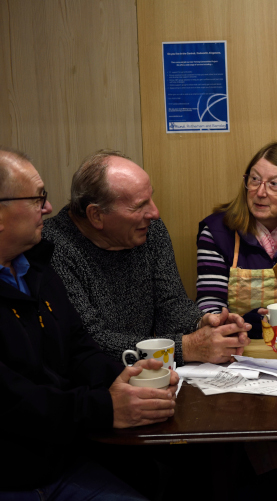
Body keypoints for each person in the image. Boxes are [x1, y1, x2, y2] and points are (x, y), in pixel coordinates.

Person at [0, 148, 178, 496]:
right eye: (37, 198)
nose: (48, 208)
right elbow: (15, 402)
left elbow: (80, 347)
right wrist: (107, 407)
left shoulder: (34, 267)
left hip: (61, 457)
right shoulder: (56, 250)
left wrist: (130, 378)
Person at [42, 150, 250, 365]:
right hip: (92, 385)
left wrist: (202, 322)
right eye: (140, 205)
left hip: (155, 376)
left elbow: (170, 303)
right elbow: (91, 341)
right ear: (96, 215)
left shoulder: (149, 230)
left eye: (151, 198)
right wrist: (186, 347)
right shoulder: (53, 247)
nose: (155, 213)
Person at [196, 141, 277, 336]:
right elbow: (209, 310)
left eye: (274, 184)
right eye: (254, 180)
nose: (260, 192)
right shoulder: (217, 232)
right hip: (237, 346)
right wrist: (243, 325)